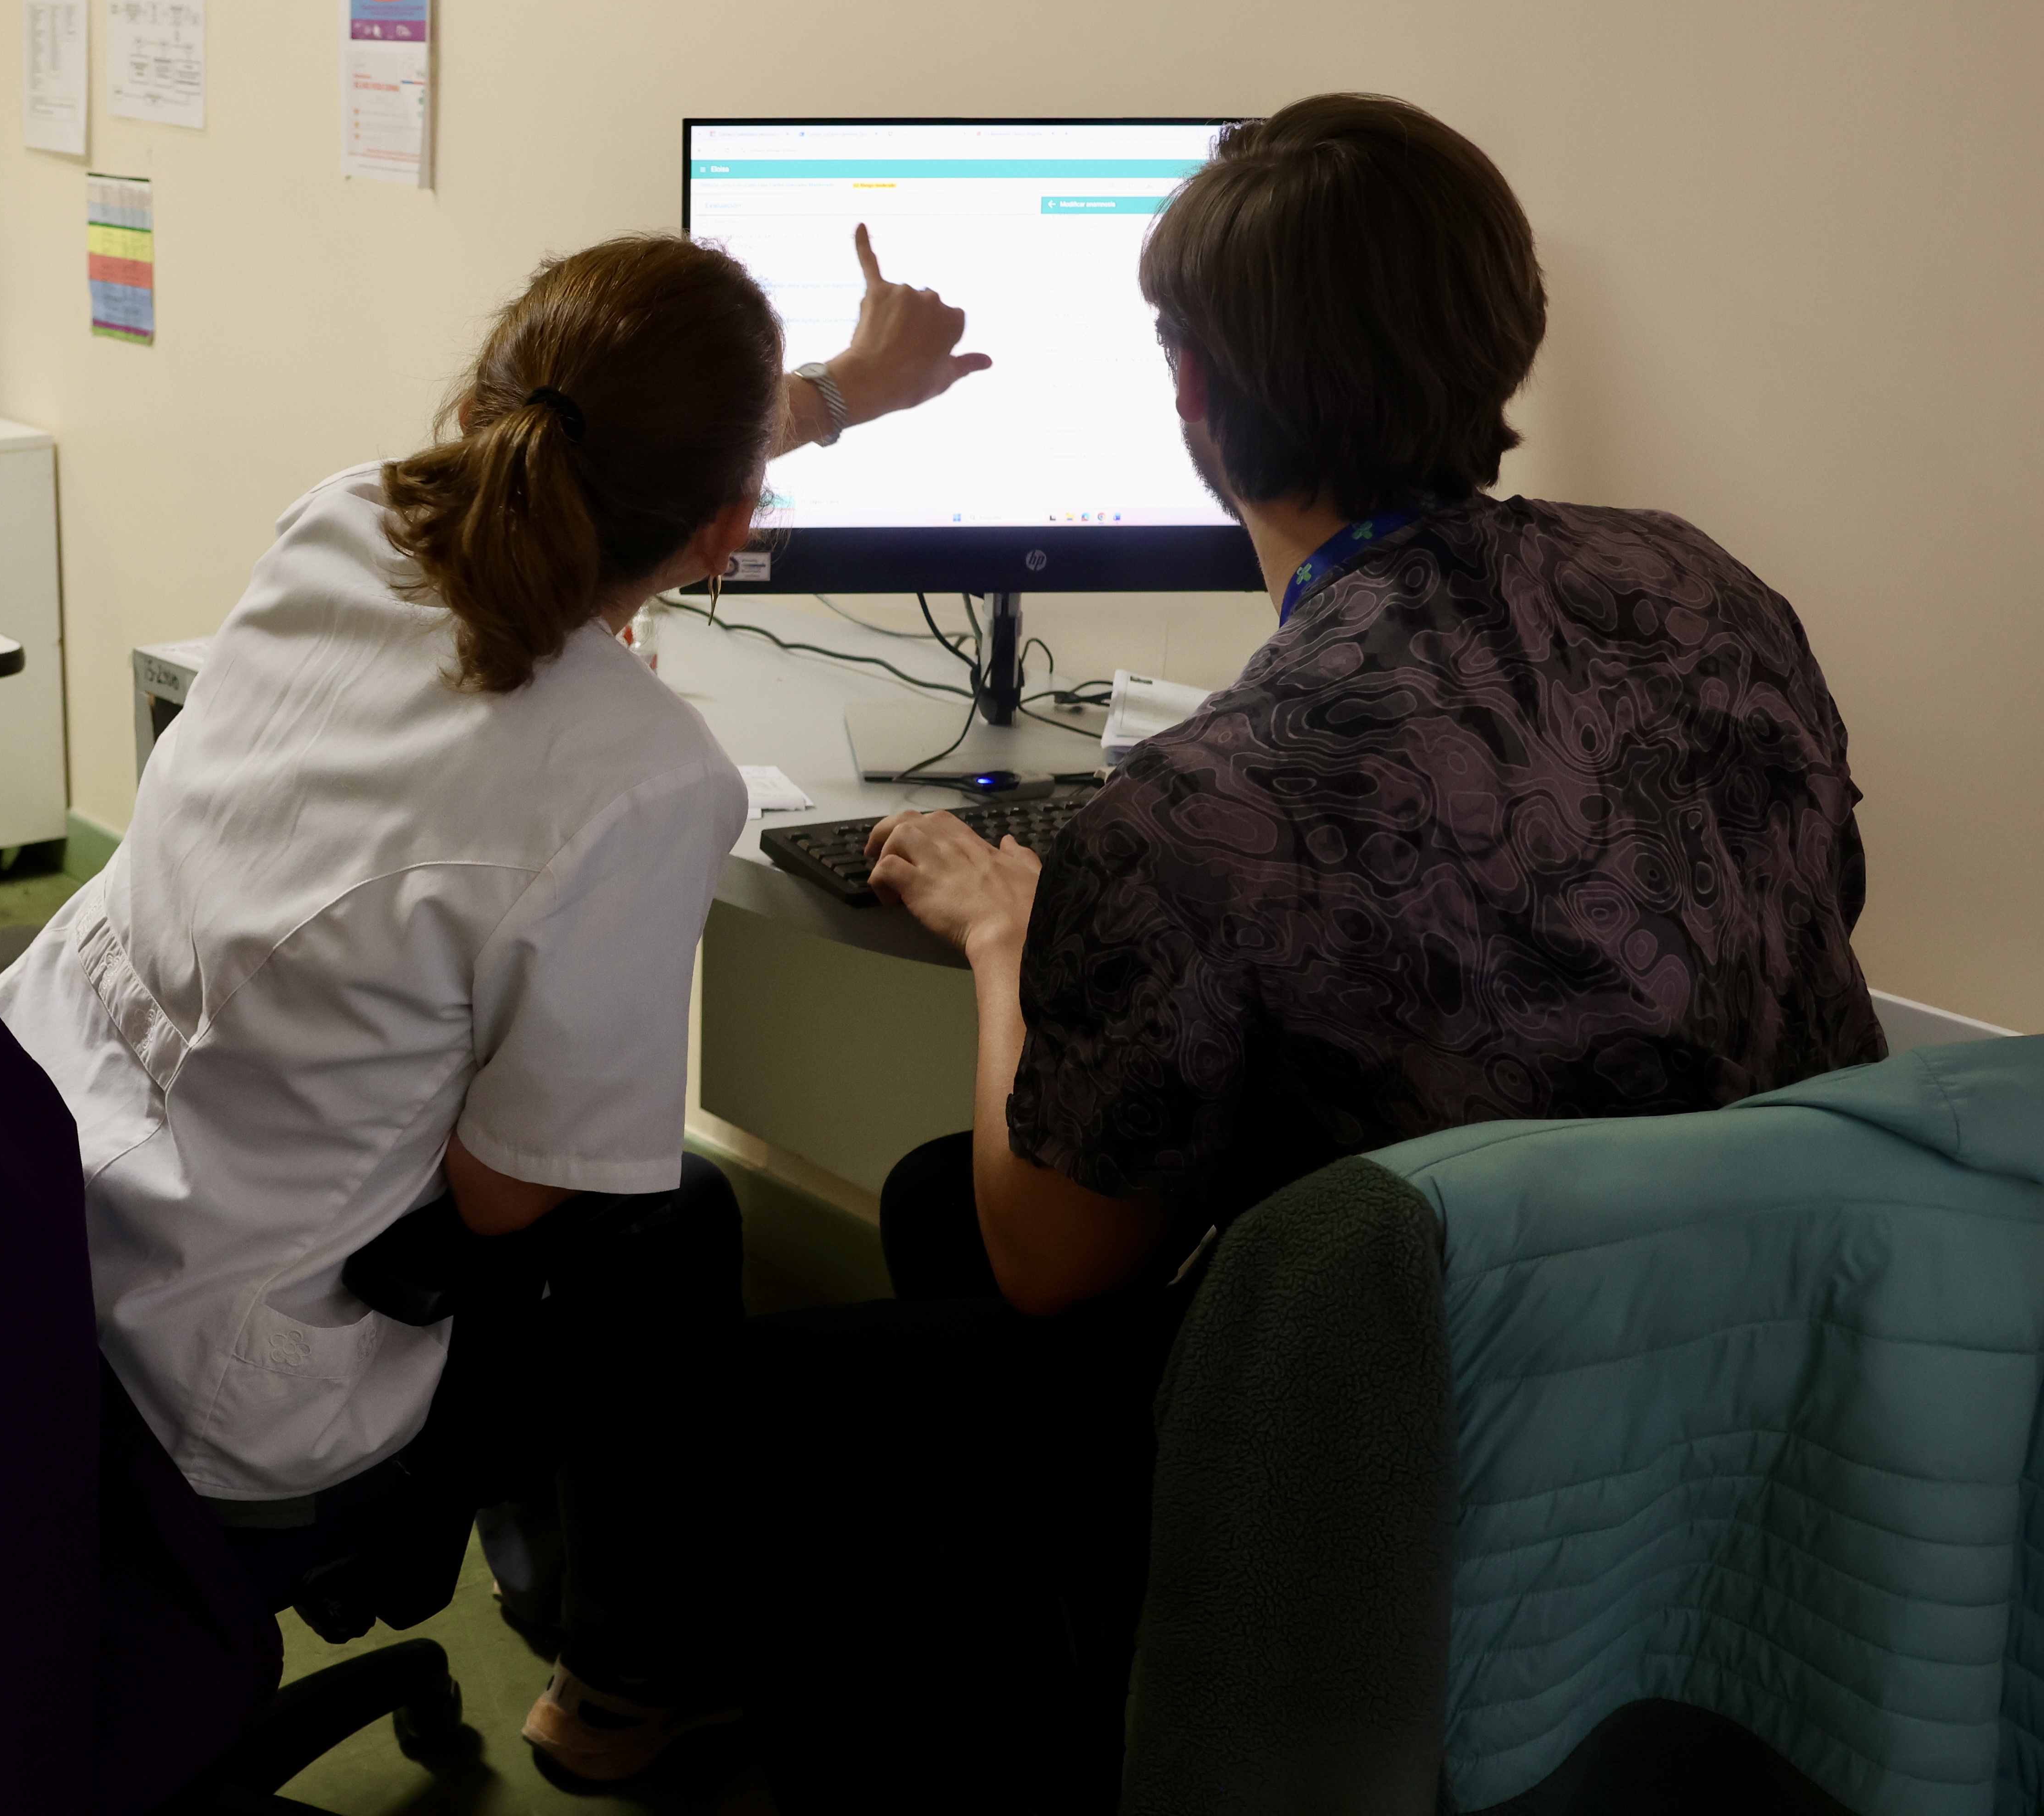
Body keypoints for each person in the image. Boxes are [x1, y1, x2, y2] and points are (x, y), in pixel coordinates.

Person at [699, 95, 1885, 1810]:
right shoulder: (1705, 590)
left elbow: (1055, 1266)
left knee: (811, 1378)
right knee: (928, 1198)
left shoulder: (1204, 804)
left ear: (1191, 392)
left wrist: (1008, 934)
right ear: (1506, 327)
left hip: (1430, 1421)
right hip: (1752, 1341)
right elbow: (1822, 898)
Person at [0, 226, 988, 1779]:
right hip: (221, 1383)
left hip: (17, 1226)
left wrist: (840, 396)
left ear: (483, 405)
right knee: (669, 1226)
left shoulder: (344, 517)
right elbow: (508, 1197)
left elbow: (595, 442)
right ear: (727, 533)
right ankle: (619, 1687)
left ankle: (591, 1648)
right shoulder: (645, 776)